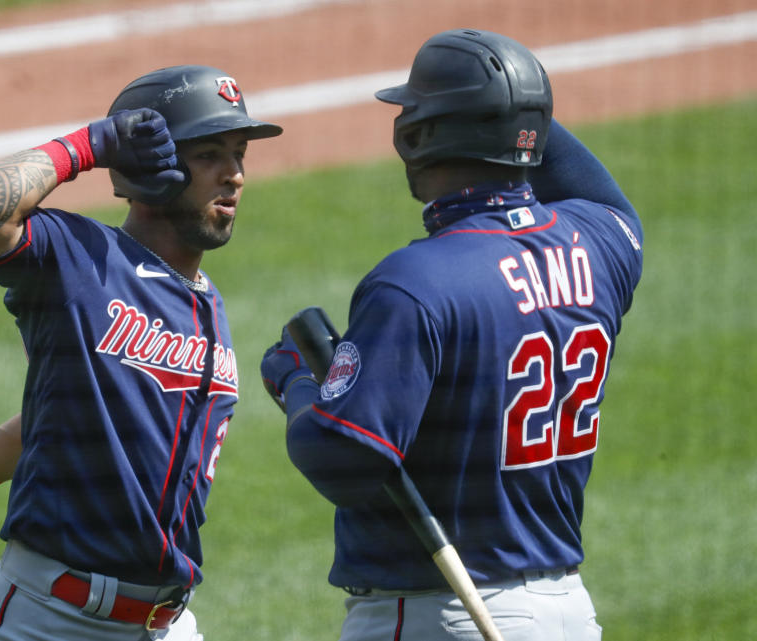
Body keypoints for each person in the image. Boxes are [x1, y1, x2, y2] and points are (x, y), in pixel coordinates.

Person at [0, 64, 282, 641]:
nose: (235, 176)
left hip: (167, 625)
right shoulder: (78, 258)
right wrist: (93, 144)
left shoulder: (211, 305)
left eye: (239, 154)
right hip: (51, 621)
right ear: (154, 167)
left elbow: (59, 417)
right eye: (210, 155)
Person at [260, 29, 642, 640]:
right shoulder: (601, 245)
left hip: (441, 616)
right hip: (569, 611)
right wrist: (518, 106)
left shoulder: (415, 282)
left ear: (418, 136)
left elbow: (343, 460)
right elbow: (606, 198)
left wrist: (296, 379)